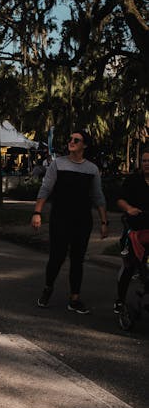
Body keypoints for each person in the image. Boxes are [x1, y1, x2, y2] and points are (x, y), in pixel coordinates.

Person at [31, 130, 108, 314]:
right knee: (57, 257)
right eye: (70, 139)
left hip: (82, 221)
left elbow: (98, 196)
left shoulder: (91, 169)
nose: (71, 142)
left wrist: (104, 222)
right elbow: (45, 189)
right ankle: (48, 287)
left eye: (76, 140)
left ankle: (74, 298)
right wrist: (37, 212)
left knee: (77, 260)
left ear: (84, 145)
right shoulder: (58, 164)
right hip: (60, 219)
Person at [114, 148, 149, 314]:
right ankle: (120, 301)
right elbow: (119, 199)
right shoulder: (133, 180)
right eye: (144, 161)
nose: (147, 164)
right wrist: (129, 208)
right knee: (129, 266)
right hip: (134, 230)